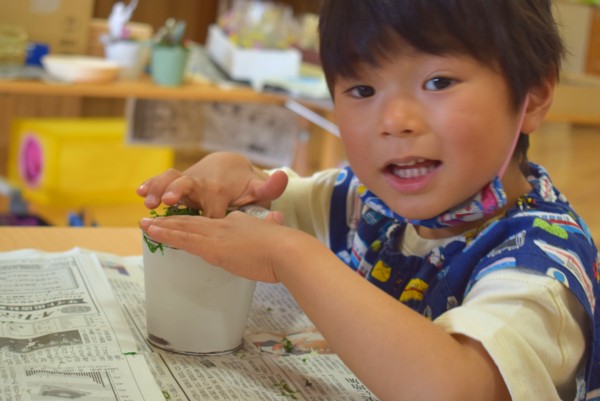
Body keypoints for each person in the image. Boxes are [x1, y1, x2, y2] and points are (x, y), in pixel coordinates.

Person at [138, 0, 600, 399]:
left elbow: (454, 389)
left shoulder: (541, 270)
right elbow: (267, 204)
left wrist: (291, 255)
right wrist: (231, 178)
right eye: (363, 90)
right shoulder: (367, 203)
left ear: (532, 95)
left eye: (439, 82)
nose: (394, 121)